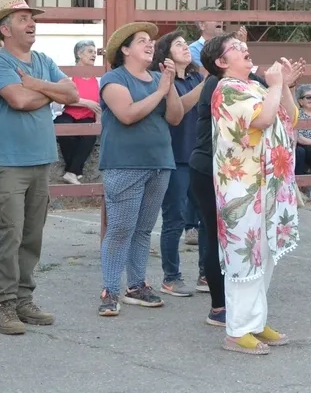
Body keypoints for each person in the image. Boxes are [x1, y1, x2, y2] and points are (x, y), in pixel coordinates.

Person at [0, 0, 77, 334]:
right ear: (5, 29)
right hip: (7, 161)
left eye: (31, 18)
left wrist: (36, 84)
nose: (32, 23)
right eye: (23, 19)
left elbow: (72, 94)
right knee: (11, 234)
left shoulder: (43, 61)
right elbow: (19, 100)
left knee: (32, 235)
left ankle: (24, 299)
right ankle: (4, 305)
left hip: (40, 159)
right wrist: (52, 92)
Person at [201, 35, 298, 354]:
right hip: (243, 188)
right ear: (221, 62)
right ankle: (237, 330)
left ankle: (255, 321)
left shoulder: (254, 85)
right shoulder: (227, 89)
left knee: (265, 253)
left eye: (243, 46)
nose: (245, 49)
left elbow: (291, 117)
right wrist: (275, 85)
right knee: (245, 256)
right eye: (236, 48)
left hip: (269, 184)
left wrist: (283, 86)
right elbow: (263, 119)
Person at [96, 23, 182, 316]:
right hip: (124, 164)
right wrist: (160, 91)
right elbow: (127, 114)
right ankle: (110, 290)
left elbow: (175, 117)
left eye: (151, 41)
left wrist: (169, 85)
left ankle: (136, 285)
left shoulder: (159, 78)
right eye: (142, 40)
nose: (150, 44)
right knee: (120, 229)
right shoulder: (113, 79)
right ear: (125, 49)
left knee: (144, 229)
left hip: (160, 163)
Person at [150, 31, 204, 298]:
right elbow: (178, 110)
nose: (185, 48)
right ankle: (171, 277)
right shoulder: (162, 80)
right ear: (166, 53)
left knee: (207, 218)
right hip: (174, 157)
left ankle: (206, 274)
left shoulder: (196, 77)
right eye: (178, 44)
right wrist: (205, 86)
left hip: (200, 156)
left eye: (186, 44)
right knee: (174, 219)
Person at [54, 39, 101, 185]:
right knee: (64, 129)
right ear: (79, 54)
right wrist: (85, 102)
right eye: (90, 51)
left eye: (95, 52)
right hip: (68, 113)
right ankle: (75, 171)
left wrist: (98, 120)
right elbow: (60, 98)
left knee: (89, 134)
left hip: (88, 115)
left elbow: (100, 102)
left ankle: (71, 172)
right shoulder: (68, 75)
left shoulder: (98, 77)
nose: (94, 55)